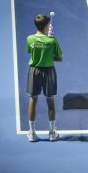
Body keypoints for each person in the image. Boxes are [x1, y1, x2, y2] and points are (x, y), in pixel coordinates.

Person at [26, 14, 62, 142]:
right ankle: (52, 133)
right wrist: (48, 50)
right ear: (47, 25)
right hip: (48, 73)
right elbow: (59, 58)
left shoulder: (30, 39)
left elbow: (31, 52)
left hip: (34, 71)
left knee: (32, 100)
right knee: (50, 101)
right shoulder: (52, 41)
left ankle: (32, 133)